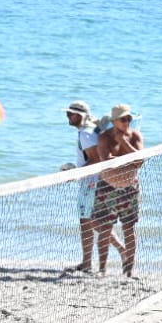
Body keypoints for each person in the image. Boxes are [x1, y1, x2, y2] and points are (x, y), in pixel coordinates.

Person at [95, 104, 143, 276]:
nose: (127, 122)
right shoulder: (104, 137)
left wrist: (124, 143)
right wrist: (128, 161)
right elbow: (107, 162)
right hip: (108, 186)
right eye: (123, 119)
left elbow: (139, 161)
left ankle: (129, 269)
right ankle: (102, 269)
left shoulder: (135, 136)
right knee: (105, 228)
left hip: (129, 188)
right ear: (114, 121)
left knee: (129, 228)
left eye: (129, 119)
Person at [62, 100, 104, 273]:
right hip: (95, 181)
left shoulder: (85, 134)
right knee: (95, 223)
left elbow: (95, 159)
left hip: (91, 183)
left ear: (79, 116)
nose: (67, 117)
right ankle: (87, 262)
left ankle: (87, 263)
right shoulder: (89, 131)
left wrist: (74, 174)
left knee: (87, 224)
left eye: (69, 114)